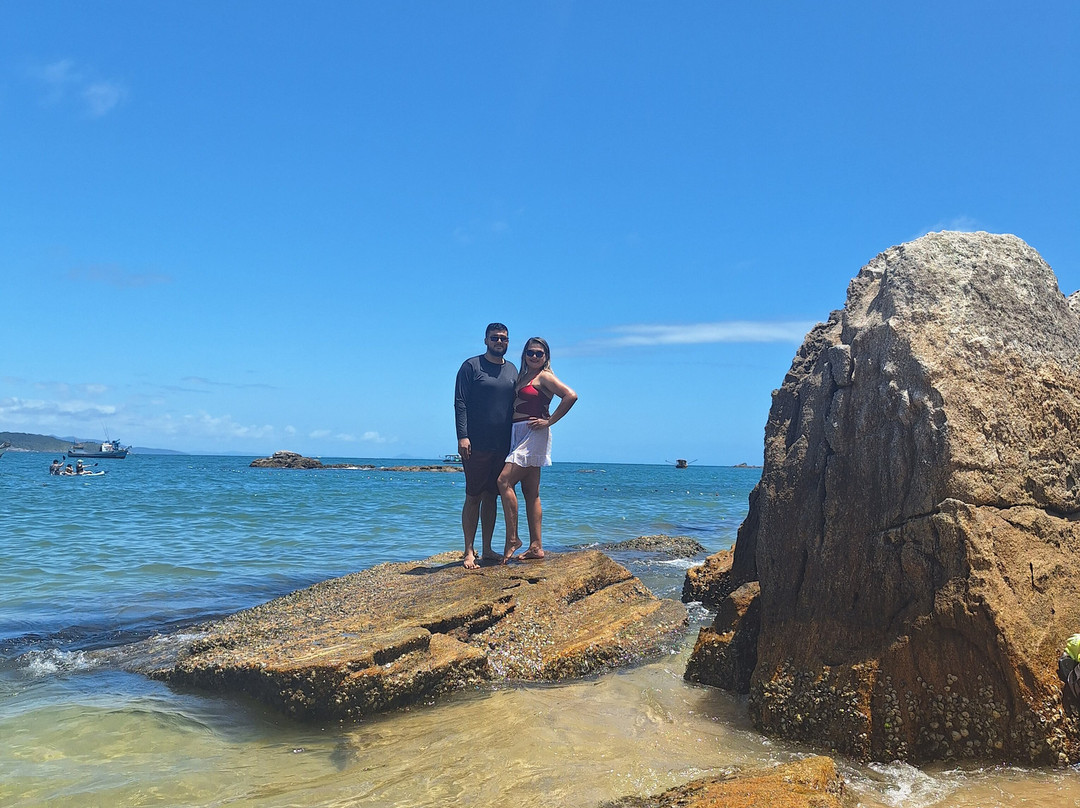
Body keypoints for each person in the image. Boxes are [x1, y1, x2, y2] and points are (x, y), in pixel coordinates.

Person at [497, 337, 577, 562]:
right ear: (524, 355)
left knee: (504, 481)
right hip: (518, 432)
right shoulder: (523, 377)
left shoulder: (545, 377)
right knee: (531, 492)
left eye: (539, 354)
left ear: (546, 357)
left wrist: (549, 421)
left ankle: (513, 538)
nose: (534, 356)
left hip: (534, 433)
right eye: (530, 353)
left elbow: (571, 396)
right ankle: (536, 547)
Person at [454, 322, 517, 569]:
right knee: (473, 496)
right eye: (494, 338)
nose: (499, 342)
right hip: (475, 443)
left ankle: (487, 548)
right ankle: (469, 551)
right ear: (486, 340)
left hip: (503, 443)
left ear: (508, 342)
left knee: (492, 495)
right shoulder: (471, 366)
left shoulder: (512, 370)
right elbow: (460, 403)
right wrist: (462, 436)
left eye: (503, 338)